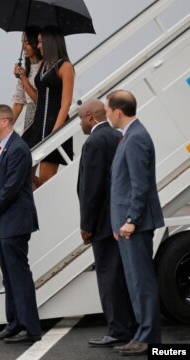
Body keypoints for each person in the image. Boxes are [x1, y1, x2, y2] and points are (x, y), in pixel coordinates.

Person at [106, 90, 163, 356]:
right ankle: (142, 334)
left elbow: (139, 186)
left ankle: (148, 337)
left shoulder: (136, 138)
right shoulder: (129, 136)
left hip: (135, 225)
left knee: (142, 281)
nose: (106, 114)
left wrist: (130, 220)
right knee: (135, 280)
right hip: (127, 226)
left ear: (118, 111)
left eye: (108, 110)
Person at [76, 99, 136, 347]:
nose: (79, 123)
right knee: (121, 276)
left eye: (80, 118)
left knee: (108, 278)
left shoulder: (94, 142)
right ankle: (128, 326)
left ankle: (117, 330)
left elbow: (92, 189)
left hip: (101, 223)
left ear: (90, 117)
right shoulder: (117, 135)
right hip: (117, 219)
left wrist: (86, 224)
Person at [0, 104, 41, 344]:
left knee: (19, 276)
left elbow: (12, 188)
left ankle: (30, 328)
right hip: (2, 220)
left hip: (14, 220)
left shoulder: (18, 148)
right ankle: (14, 323)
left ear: (5, 122)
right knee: (9, 276)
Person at [21, 26, 75, 188]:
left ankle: (46, 207)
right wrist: (23, 78)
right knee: (22, 173)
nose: (38, 46)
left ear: (50, 42)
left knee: (46, 181)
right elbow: (39, 99)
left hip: (54, 127)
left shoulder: (65, 66)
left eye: (40, 42)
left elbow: (66, 103)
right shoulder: (44, 65)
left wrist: (55, 133)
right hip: (36, 128)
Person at [12, 27, 42, 132]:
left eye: (27, 42)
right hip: (29, 117)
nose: (23, 46)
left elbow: (40, 100)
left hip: (41, 115)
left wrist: (24, 78)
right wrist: (6, 129)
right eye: (22, 42)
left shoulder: (45, 67)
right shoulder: (26, 70)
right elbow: (18, 104)